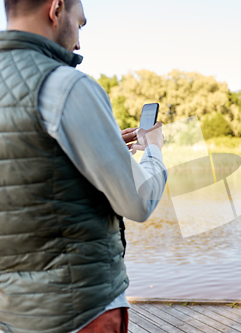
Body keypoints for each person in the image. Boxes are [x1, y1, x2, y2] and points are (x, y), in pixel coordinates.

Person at [0, 0, 167, 332]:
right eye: (80, 24)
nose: (78, 43)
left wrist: (107, 150)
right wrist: (154, 151)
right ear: (56, 8)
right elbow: (138, 201)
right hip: (81, 310)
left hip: (12, 312)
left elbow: (26, 172)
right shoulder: (67, 85)